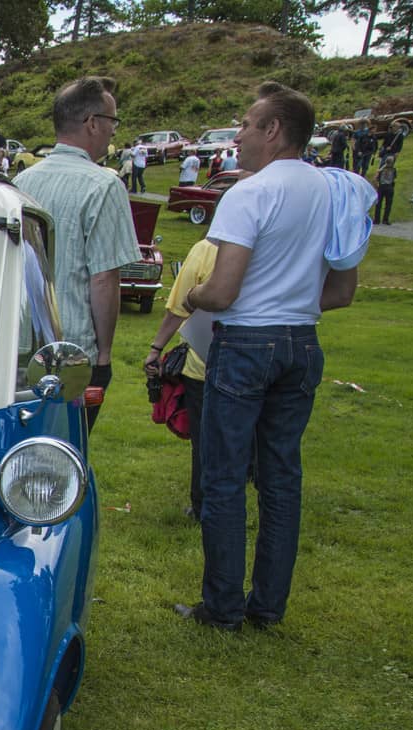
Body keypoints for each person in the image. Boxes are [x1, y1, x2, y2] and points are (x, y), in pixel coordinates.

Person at [173, 81, 359, 630]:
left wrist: (194, 297)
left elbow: (223, 290)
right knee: (281, 475)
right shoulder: (335, 190)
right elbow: (343, 291)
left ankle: (224, 605)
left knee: (225, 475)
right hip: (301, 341)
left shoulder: (250, 193)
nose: (239, 134)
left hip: (247, 341)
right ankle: (268, 605)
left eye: (247, 124)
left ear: (274, 131)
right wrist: (292, 300)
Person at [12, 75, 139, 431]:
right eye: (112, 121)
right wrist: (104, 356)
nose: (114, 131)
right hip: (72, 350)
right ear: (92, 123)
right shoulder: (104, 184)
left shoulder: (22, 182)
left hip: (19, 339)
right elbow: (104, 278)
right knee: (68, 449)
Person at [146, 238, 218, 520]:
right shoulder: (274, 246)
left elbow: (179, 305)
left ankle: (203, 506)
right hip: (262, 361)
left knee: (204, 440)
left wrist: (156, 348)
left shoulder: (206, 249)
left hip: (204, 360)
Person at [374, 153, 397, 224]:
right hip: (388, 186)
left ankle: (377, 219)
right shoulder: (393, 169)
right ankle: (385, 219)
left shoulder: (382, 170)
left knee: (379, 204)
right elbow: (394, 178)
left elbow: (375, 178)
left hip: (383, 187)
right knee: (388, 204)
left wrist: (377, 185)